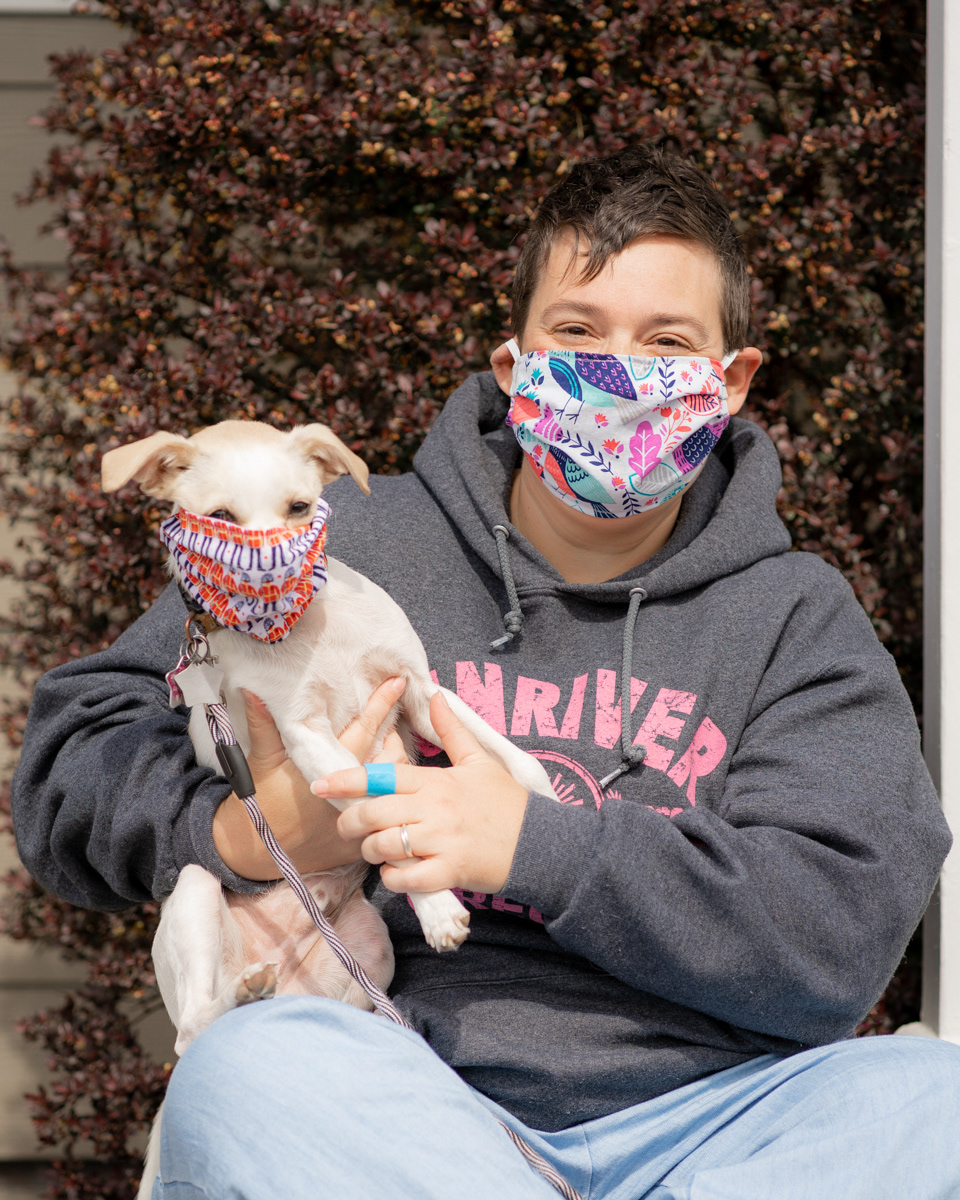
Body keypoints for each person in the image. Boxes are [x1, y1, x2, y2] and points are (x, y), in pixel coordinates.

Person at [11, 146, 960, 1200]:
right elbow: (72, 754)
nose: (617, 375)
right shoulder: (334, 540)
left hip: (717, 1124)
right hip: (407, 1105)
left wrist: (533, 843)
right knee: (248, 1071)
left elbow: (838, 931)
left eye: (666, 343)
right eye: (578, 333)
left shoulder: (796, 616)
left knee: (934, 1100)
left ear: (730, 382)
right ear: (514, 368)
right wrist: (247, 832)